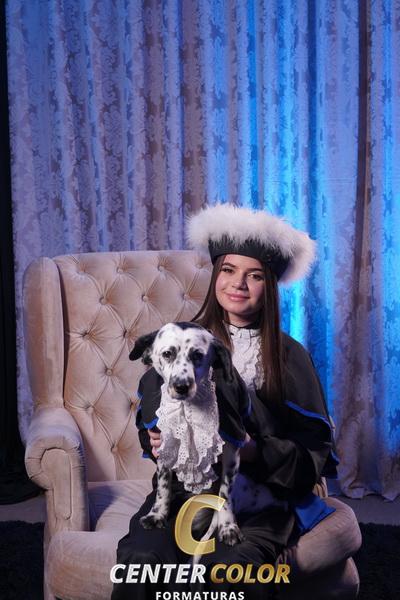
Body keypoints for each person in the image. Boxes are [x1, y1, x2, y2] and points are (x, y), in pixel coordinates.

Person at [111, 204, 338, 600]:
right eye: (229, 270)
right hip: (183, 494)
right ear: (216, 275)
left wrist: (253, 451)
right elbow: (152, 411)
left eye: (255, 275)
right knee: (142, 560)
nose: (239, 284)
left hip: (259, 504)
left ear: (270, 285)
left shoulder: (289, 357)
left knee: (232, 571)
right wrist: (156, 437)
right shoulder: (182, 340)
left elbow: (311, 460)